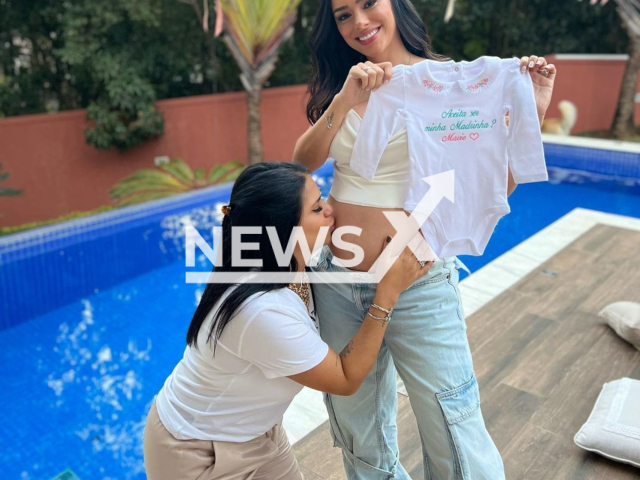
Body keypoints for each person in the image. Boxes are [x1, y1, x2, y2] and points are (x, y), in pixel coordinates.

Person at [293, 0, 556, 478]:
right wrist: (344, 99)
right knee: (358, 430)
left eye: (369, 4)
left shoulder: (449, 84)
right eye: (343, 15)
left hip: (418, 282)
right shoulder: (348, 81)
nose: (359, 22)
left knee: (453, 427)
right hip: (339, 278)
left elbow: (484, 183)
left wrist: (530, 108)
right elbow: (303, 162)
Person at [143, 162, 431, 480]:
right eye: (318, 207)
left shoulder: (288, 265)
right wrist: (387, 293)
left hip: (259, 434)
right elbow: (345, 379)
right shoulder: (261, 311)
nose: (330, 210)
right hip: (196, 449)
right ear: (285, 229)